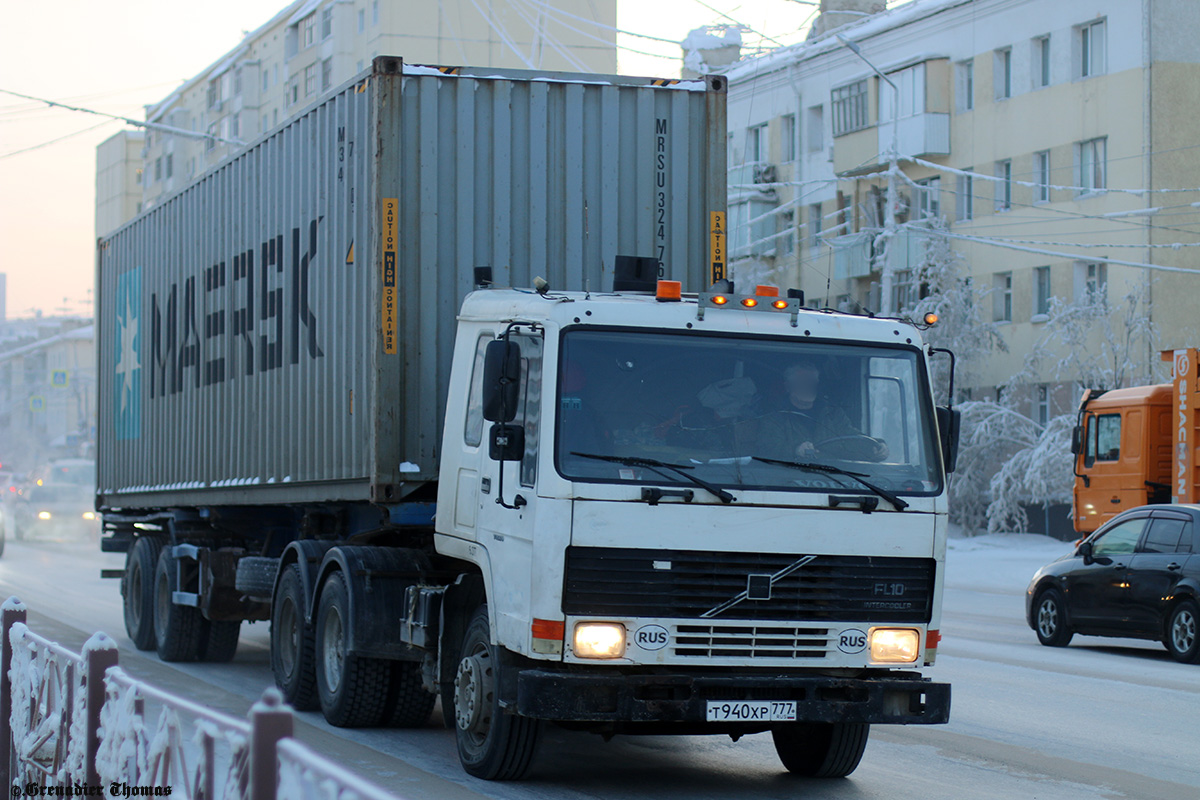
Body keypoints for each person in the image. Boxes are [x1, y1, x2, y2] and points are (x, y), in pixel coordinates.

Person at [757, 359, 888, 462]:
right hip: (787, 481)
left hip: (832, 480)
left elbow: (852, 438)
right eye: (802, 382)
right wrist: (795, 450)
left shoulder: (833, 414)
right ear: (788, 386)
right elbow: (766, 449)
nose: (807, 386)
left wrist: (876, 446)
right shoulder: (774, 416)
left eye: (811, 382)